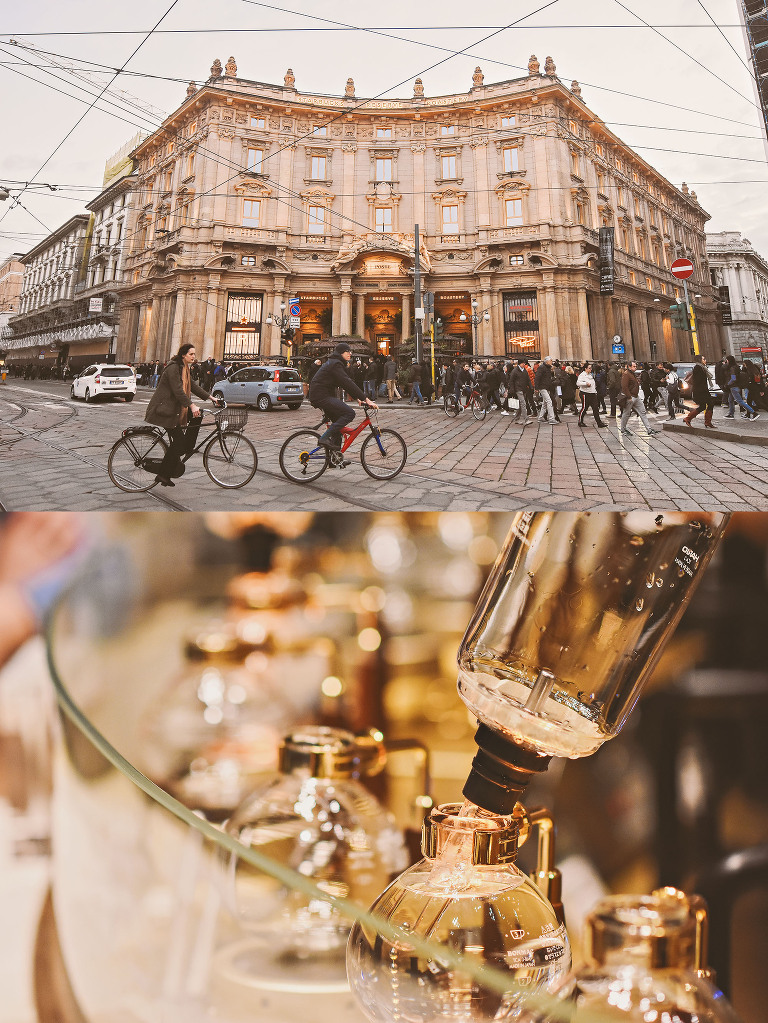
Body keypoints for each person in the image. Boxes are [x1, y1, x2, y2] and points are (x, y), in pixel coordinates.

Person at [144, 343, 221, 488]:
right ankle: (163, 474)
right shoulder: (173, 368)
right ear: (183, 355)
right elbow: (178, 391)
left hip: (175, 411)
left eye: (194, 354)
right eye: (191, 354)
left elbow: (194, 386)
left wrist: (212, 398)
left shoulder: (184, 368)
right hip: (165, 411)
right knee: (179, 442)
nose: (194, 357)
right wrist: (191, 405)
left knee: (186, 437)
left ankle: (171, 466)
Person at [308, 340, 376, 450]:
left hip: (323, 395)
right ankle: (324, 438)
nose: (350, 354)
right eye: (347, 351)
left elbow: (343, 383)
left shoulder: (335, 363)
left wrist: (357, 398)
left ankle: (334, 459)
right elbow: (347, 382)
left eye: (350, 351)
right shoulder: (335, 364)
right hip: (321, 396)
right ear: (340, 353)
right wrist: (366, 399)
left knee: (337, 428)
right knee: (349, 413)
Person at [619, 361, 659, 436]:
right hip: (630, 397)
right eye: (634, 366)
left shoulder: (631, 374)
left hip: (635, 396)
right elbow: (624, 387)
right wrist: (629, 396)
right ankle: (623, 429)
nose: (635, 367)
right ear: (629, 366)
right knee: (626, 413)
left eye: (635, 366)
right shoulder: (626, 374)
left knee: (642, 412)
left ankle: (649, 429)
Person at [682, 355, 717, 429]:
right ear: (699, 360)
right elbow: (698, 381)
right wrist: (703, 390)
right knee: (709, 404)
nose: (705, 360)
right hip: (700, 391)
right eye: (703, 359)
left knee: (704, 406)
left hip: (702, 390)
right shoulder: (698, 368)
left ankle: (690, 419)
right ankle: (690, 419)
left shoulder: (702, 367)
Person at [724, 355, 759, 420]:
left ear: (728, 360)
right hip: (736, 386)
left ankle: (754, 413)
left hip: (734, 387)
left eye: (726, 360)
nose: (726, 361)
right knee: (730, 400)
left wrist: (728, 384)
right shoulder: (736, 366)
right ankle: (731, 413)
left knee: (740, 401)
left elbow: (733, 378)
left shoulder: (732, 368)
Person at [577, 363, 607, 428]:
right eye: (589, 368)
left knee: (595, 408)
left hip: (592, 393)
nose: (591, 369)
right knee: (584, 408)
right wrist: (585, 383)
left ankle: (599, 423)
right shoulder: (582, 375)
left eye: (591, 368)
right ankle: (580, 421)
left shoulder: (590, 375)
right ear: (585, 369)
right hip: (585, 393)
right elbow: (578, 383)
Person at [535, 355, 558, 425]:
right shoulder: (542, 368)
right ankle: (551, 418)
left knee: (545, 403)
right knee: (549, 401)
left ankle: (541, 417)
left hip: (547, 387)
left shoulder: (548, 368)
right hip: (543, 387)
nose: (552, 362)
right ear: (547, 361)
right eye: (551, 360)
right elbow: (537, 377)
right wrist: (536, 387)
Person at [510, 359, 533, 425]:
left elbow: (528, 379)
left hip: (524, 389)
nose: (524, 364)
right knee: (523, 403)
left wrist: (531, 387)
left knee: (520, 405)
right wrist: (512, 390)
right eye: (523, 363)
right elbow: (511, 381)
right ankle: (526, 419)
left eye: (524, 363)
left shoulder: (524, 370)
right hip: (518, 389)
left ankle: (516, 419)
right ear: (519, 364)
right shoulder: (514, 371)